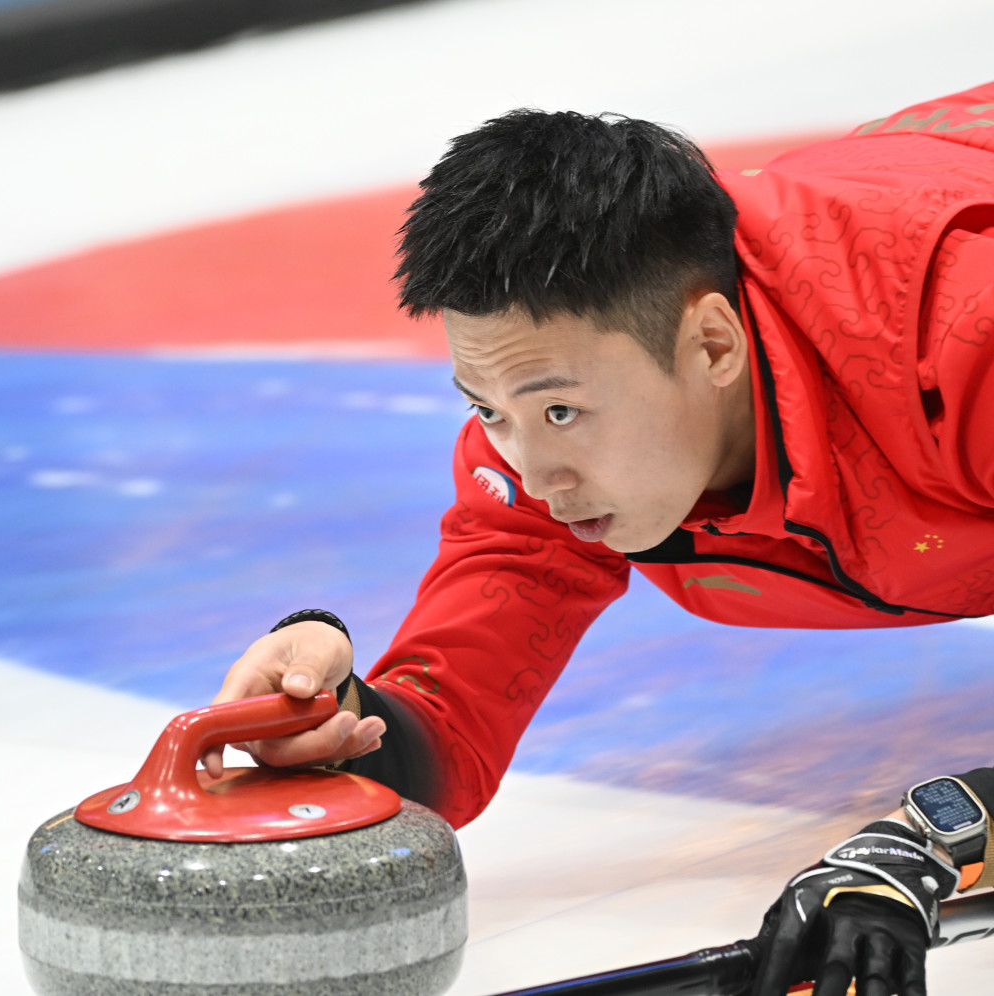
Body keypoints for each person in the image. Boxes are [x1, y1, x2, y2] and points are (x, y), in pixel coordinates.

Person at [205, 81, 994, 994]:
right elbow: (446, 726)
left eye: (563, 410)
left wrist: (936, 839)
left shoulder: (962, 347)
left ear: (711, 344)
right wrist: (340, 722)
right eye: (488, 409)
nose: (536, 477)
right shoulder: (541, 443)